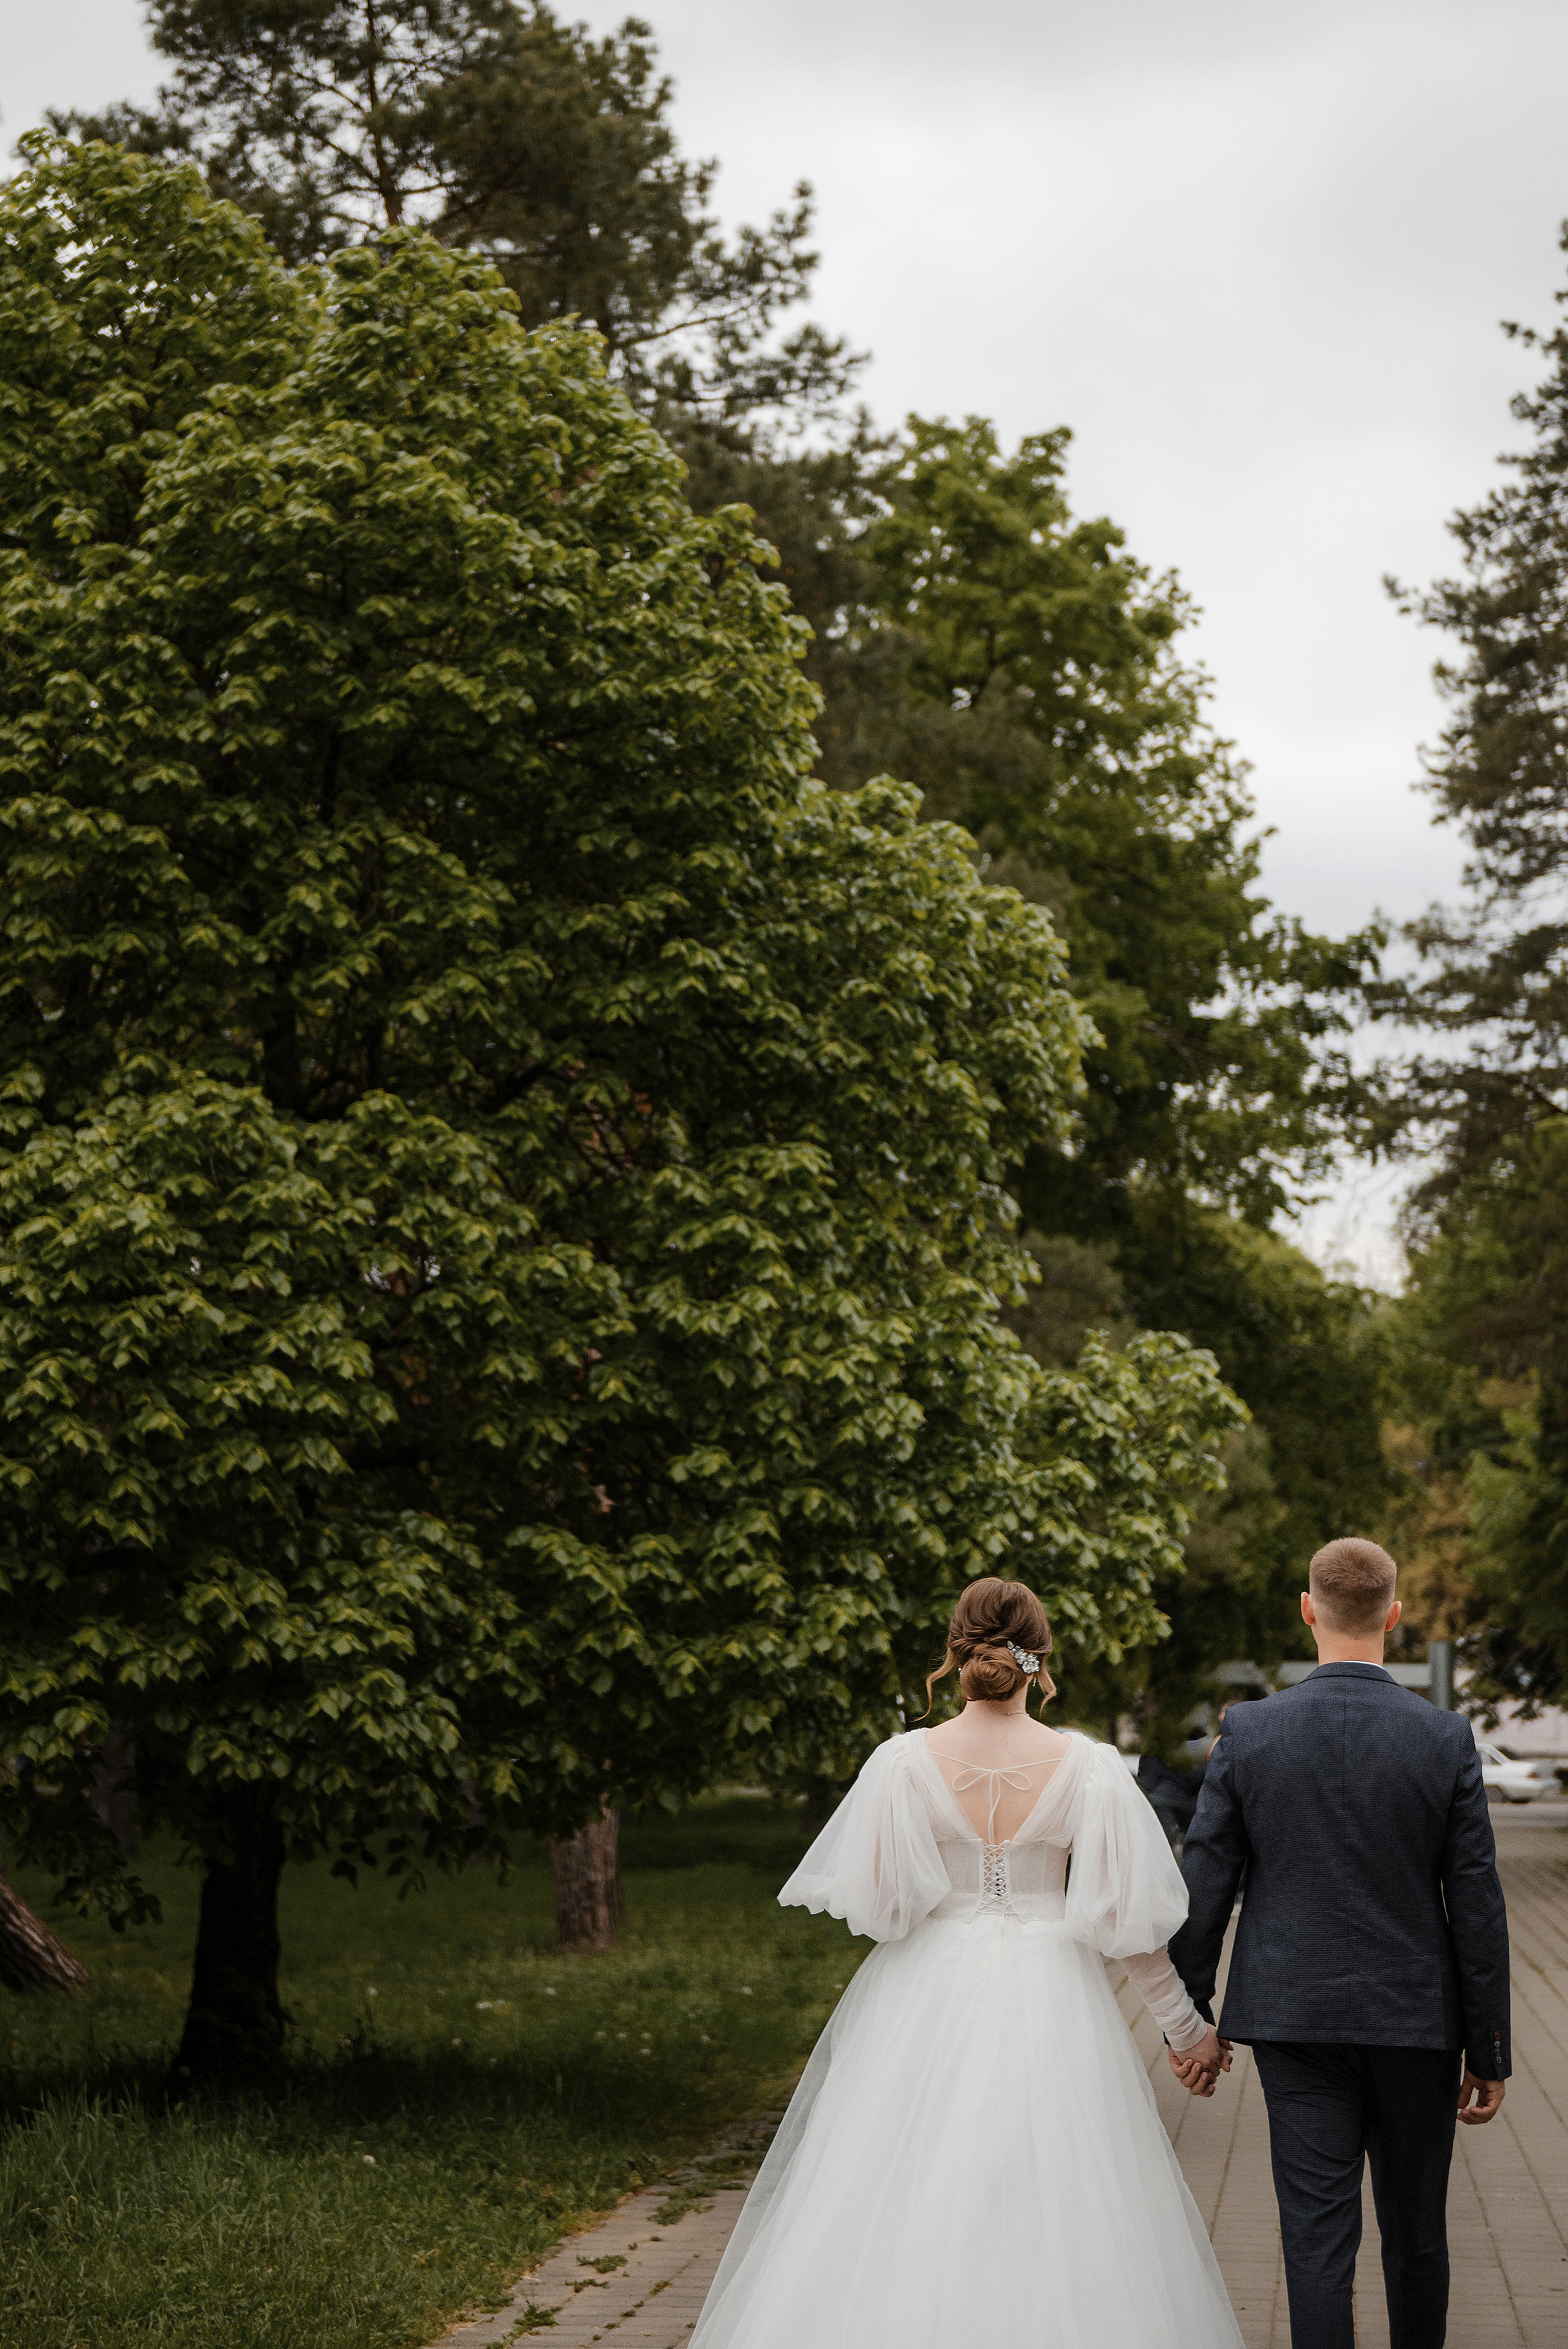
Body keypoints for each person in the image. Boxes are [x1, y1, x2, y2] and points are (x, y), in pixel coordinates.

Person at [688, 1578, 1245, 2349]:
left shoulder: (900, 1763)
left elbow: (883, 1912)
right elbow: (1128, 1929)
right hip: (1055, 1996)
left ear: (953, 1654)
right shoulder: (1087, 1767)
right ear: (1039, 1661)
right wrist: (1187, 2034)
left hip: (923, 1994)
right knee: (1062, 2199)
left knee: (897, 2192)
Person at [1170, 1537, 1510, 2349]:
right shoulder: (1445, 1737)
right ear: (1394, 1615)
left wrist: (1194, 2022)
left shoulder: (1249, 1731)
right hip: (1415, 2023)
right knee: (1417, 2231)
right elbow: (1478, 1904)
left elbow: (1204, 1883)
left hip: (1296, 2018)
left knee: (1315, 2237)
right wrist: (1489, 2047)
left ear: (1307, 1608)